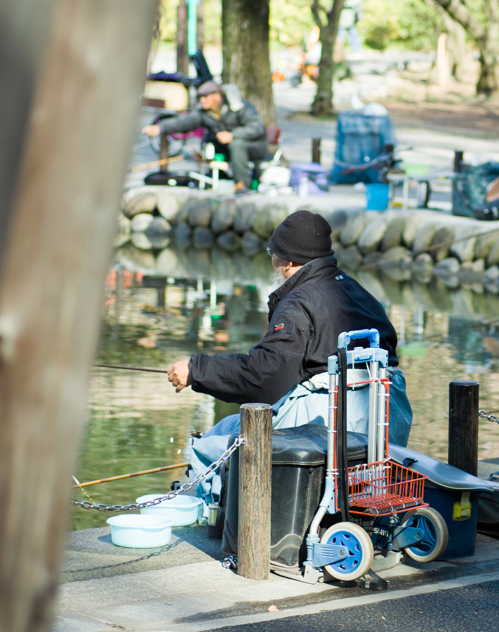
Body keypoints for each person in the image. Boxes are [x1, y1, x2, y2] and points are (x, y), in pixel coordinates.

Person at [169, 210, 412, 501]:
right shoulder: (356, 291)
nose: (272, 260)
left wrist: (197, 370)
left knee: (214, 441)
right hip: (380, 420)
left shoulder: (297, 303)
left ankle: (209, 520)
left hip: (328, 423)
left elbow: (264, 378)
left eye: (273, 253)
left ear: (287, 262)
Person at [142, 81, 267, 185]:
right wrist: (160, 128)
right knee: (209, 142)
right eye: (200, 97)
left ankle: (242, 185)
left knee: (237, 144)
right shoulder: (205, 113)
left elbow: (257, 127)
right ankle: (217, 178)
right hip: (227, 148)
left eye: (205, 97)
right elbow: (185, 121)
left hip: (255, 146)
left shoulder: (241, 108)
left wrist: (232, 135)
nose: (202, 100)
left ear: (217, 96)